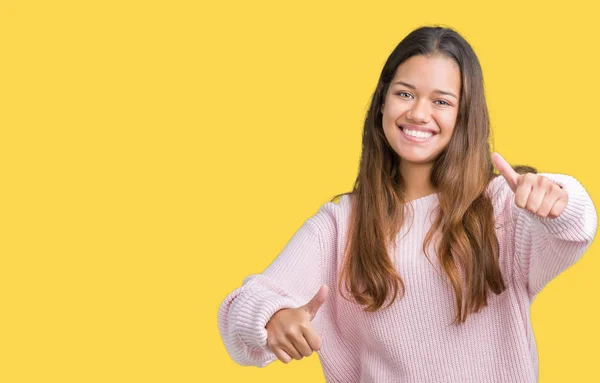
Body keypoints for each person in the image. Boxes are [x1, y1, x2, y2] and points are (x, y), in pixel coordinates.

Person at [216, 25, 598, 382]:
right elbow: (242, 306)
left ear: (463, 115)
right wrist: (272, 316)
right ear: (382, 102)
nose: (418, 113)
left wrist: (560, 199)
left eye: (441, 101)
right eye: (405, 94)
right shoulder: (341, 223)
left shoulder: (501, 208)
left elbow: (574, 232)